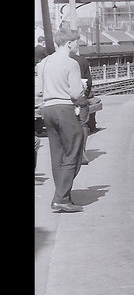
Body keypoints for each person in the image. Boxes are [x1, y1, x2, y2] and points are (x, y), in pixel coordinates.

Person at [37, 27, 88, 212]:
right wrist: (83, 100)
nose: (78, 45)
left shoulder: (43, 63)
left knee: (57, 155)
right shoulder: (71, 63)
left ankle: (62, 196)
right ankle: (61, 198)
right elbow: (75, 93)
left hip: (47, 110)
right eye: (77, 42)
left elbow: (39, 90)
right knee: (74, 150)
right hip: (64, 109)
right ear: (69, 43)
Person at [69, 39, 95, 164]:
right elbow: (89, 82)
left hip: (64, 98)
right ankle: (82, 153)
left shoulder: (55, 60)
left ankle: (70, 153)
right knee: (83, 124)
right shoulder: (82, 61)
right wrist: (85, 94)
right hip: (80, 97)